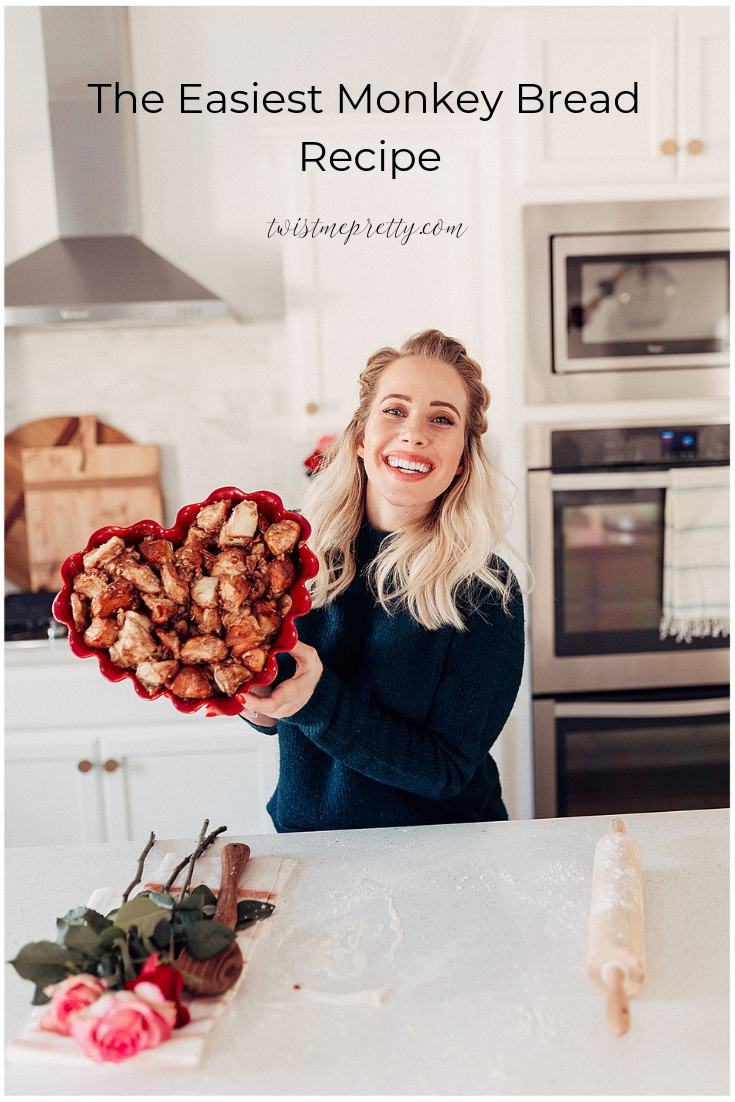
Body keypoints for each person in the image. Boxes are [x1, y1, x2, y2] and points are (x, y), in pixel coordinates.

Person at [239, 329, 526, 832]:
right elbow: (279, 690)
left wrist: (316, 703)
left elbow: (446, 770)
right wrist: (258, 703)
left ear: (462, 459)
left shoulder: (483, 591)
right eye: (394, 411)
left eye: (441, 419)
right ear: (359, 439)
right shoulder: (291, 559)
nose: (414, 434)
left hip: (444, 858)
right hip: (310, 844)